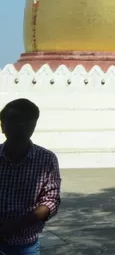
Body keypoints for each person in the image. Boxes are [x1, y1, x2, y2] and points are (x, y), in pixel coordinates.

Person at [0, 99, 61, 255]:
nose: (21, 125)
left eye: (28, 120)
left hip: (25, 246)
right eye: (14, 119)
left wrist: (15, 225)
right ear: (2, 125)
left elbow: (51, 202)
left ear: (34, 125)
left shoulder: (46, 159)